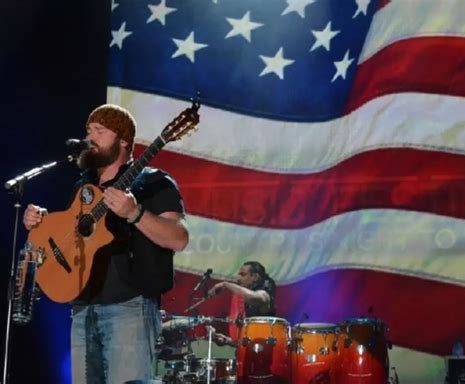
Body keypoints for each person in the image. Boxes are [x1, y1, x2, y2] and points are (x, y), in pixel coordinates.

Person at [23, 104, 189, 383]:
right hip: (82, 308)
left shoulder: (154, 182)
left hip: (130, 308)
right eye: (88, 131)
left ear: (124, 140)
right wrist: (41, 222)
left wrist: (134, 213)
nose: (90, 138)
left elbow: (179, 238)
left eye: (100, 131)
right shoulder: (83, 186)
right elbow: (71, 236)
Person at [208, 261, 276, 346]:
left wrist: (225, 285)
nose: (238, 279)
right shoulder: (247, 301)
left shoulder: (265, 295)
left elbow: (254, 296)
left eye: (243, 275)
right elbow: (248, 342)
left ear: (255, 277)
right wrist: (226, 340)